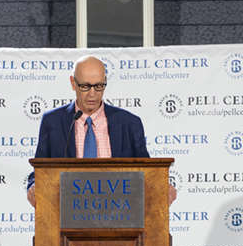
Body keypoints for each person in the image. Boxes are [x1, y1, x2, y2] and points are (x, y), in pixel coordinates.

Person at [26, 55, 178, 207]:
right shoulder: (53, 122)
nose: (92, 93)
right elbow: (39, 172)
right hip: (66, 213)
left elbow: (146, 172)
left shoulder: (129, 123)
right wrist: (34, 187)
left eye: (99, 86)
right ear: (73, 83)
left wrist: (161, 185)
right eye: (85, 86)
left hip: (119, 214)